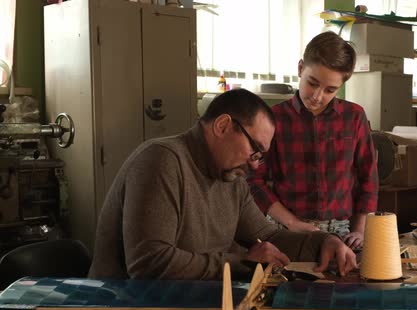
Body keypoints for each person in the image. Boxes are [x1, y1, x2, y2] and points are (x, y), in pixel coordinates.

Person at [88, 89, 356, 280]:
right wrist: (243, 263)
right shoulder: (162, 160)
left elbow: (270, 237)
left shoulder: (231, 176)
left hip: (187, 305)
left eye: (260, 156)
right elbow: (149, 263)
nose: (255, 164)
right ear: (223, 125)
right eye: (255, 150)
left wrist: (324, 242)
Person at [248, 31, 378, 249]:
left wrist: (360, 229)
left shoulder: (354, 116)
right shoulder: (273, 119)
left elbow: (368, 177)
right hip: (285, 229)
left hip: (342, 231)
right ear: (300, 69)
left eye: (330, 90)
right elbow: (253, 180)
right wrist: (292, 222)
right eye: (312, 83)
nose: (318, 96)